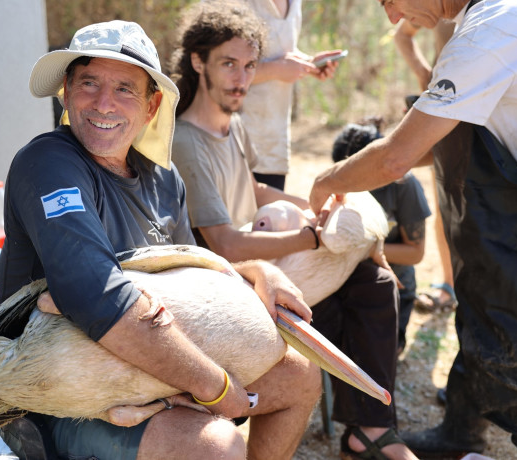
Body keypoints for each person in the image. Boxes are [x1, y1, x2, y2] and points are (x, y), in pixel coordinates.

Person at [0, 19, 322, 460]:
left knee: (300, 376)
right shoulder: (49, 163)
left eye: (125, 89)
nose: (104, 103)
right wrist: (212, 385)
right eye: (89, 82)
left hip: (144, 369)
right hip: (58, 398)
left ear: (151, 107)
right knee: (216, 447)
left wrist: (255, 270)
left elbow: (192, 275)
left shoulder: (163, 180)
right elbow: (93, 293)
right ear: (67, 93)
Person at [309, 0, 517, 458]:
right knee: (478, 319)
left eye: (390, 1)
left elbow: (397, 157)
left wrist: (328, 180)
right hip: (511, 217)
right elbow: (432, 140)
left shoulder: (496, 29)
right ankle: (460, 433)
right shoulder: (492, 19)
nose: (393, 19)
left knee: (504, 360)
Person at [169, 3, 417, 459]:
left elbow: (255, 189)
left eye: (249, 66)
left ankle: (370, 429)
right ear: (198, 61)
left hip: (271, 271)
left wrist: (317, 207)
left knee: (373, 280)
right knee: (357, 286)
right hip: (230, 290)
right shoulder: (185, 140)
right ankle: (362, 425)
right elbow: (223, 241)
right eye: (228, 64)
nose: (242, 79)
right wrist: (312, 238)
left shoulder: (234, 126)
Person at [332, 119, 431, 355]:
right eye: (341, 170)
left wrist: (365, 248)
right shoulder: (340, 181)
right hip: (351, 276)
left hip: (394, 282)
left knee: (380, 354)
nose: (347, 177)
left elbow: (415, 252)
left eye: (352, 170)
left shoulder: (403, 186)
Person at [239, 0, 341, 190]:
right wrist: (277, 70)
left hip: (273, 145)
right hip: (230, 141)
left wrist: (308, 64)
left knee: (270, 217)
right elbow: (211, 66)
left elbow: (281, 52)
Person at [394, 18, 459, 311]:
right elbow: (402, 34)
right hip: (445, 117)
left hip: (490, 116)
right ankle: (449, 286)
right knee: (446, 205)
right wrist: (424, 74)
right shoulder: (441, 8)